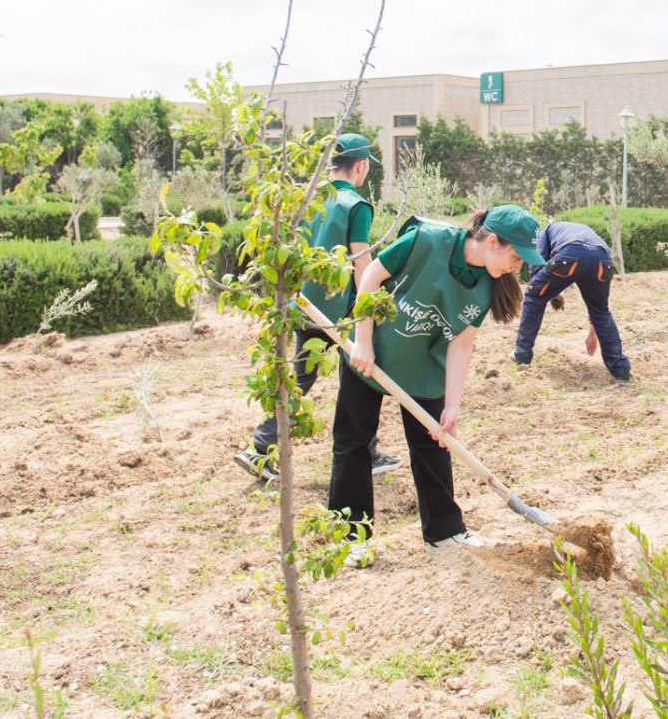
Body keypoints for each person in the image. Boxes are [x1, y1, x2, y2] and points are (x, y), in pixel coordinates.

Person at [330, 205, 544, 568]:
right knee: (353, 443)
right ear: (492, 241)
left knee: (432, 444)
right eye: (515, 256)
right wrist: (363, 338)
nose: (518, 267)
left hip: (423, 367)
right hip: (372, 353)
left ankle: (444, 532)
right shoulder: (425, 240)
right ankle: (350, 537)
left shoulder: (486, 284)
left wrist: (453, 406)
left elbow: (461, 343)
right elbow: (369, 279)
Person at [233, 133, 403, 482]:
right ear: (361, 166)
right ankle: (364, 453)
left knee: (299, 377)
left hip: (301, 304)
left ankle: (260, 448)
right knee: (361, 376)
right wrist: (366, 314)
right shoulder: (355, 206)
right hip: (339, 311)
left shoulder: (307, 199)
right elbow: (361, 263)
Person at [512, 221, 632, 381]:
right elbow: (596, 307)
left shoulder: (544, 233)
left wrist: (547, 292)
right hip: (602, 259)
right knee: (601, 310)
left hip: (572, 254)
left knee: (533, 295)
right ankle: (621, 371)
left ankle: (522, 356)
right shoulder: (577, 230)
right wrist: (592, 331)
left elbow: (538, 265)